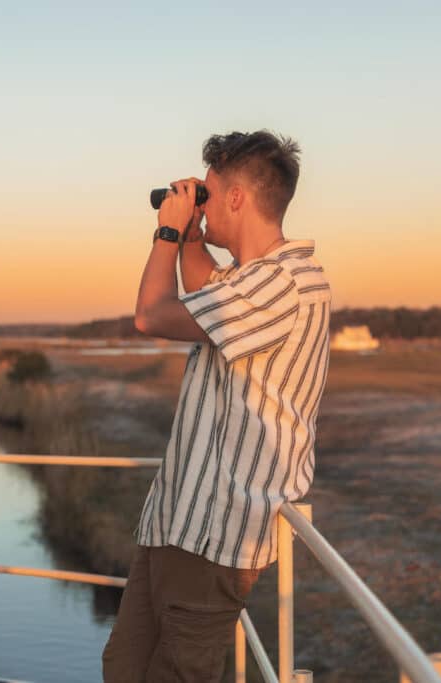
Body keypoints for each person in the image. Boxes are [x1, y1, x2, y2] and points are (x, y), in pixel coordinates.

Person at [102, 130, 331, 682]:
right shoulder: (248, 282)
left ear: (235, 198)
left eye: (207, 192)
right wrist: (189, 240)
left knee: (178, 675)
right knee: (123, 667)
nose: (200, 203)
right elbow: (206, 287)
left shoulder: (284, 283)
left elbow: (152, 315)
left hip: (215, 536)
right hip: (175, 523)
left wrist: (167, 231)